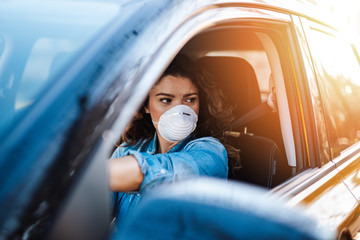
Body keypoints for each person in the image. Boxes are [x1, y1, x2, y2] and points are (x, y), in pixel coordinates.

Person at [108, 54, 236, 225]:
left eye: (189, 100)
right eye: (166, 100)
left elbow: (167, 171)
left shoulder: (211, 153)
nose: (179, 111)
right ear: (146, 105)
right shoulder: (125, 151)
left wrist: (100, 173)